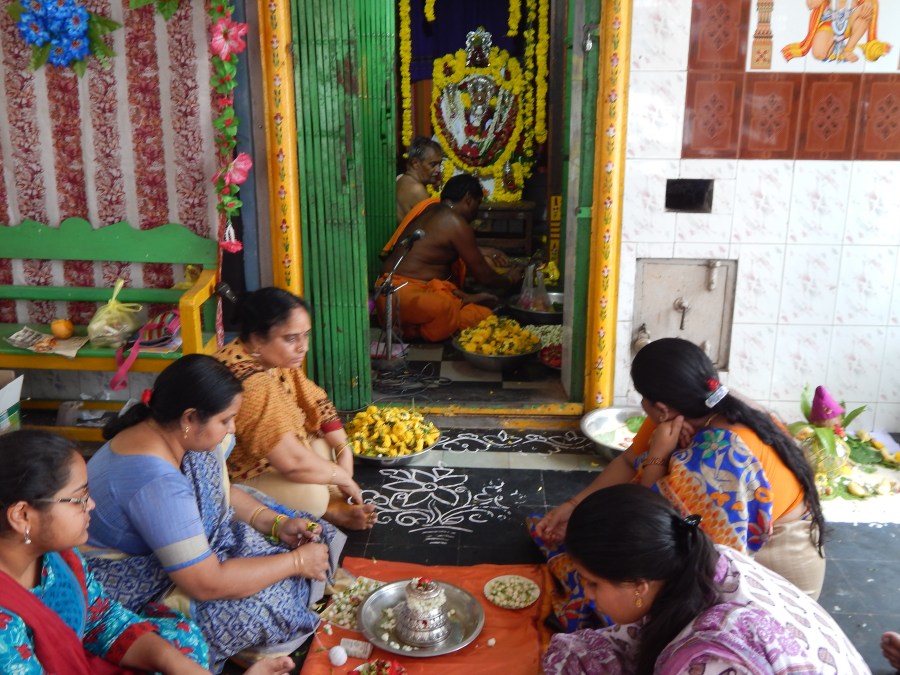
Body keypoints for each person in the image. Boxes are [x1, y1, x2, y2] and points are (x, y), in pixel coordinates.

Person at [533, 337, 825, 631]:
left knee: (624, 599)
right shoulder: (693, 404)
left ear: (660, 407)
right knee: (589, 554)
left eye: (642, 398)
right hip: (703, 535)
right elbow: (628, 462)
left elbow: (654, 530)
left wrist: (659, 455)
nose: (641, 405)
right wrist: (573, 505)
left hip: (774, 572)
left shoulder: (721, 457)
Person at [84, 354, 345, 671]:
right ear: (190, 417)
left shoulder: (171, 433)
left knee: (307, 532)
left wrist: (276, 524)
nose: (232, 428)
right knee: (261, 608)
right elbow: (206, 583)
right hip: (133, 592)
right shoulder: (154, 482)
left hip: (191, 561)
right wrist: (296, 563)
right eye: (225, 420)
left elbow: (222, 494)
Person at [0, 429, 293, 675]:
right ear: (22, 515)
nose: (92, 505)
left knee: (181, 642)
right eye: (79, 499)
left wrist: (175, 664)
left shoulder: (59, 558)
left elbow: (100, 619)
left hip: (75, 660)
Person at [542, 485, 868, 674]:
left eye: (592, 583)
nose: (586, 594)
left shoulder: (714, 660)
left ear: (639, 585)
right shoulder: (705, 560)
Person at [216, 288, 375, 530]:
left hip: (273, 456)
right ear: (258, 339)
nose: (303, 347)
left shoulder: (268, 357)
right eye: (291, 339)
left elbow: (314, 399)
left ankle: (332, 500)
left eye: (305, 336)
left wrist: (344, 449)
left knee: (323, 444)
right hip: (236, 474)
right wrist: (343, 478)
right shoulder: (252, 384)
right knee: (314, 496)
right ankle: (330, 508)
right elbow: (292, 462)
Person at [377, 173, 524, 342]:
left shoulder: (429, 210)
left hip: (390, 298)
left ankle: (413, 325)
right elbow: (484, 276)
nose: (476, 213)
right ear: (468, 199)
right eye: (478, 204)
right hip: (401, 296)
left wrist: (468, 297)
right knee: (444, 308)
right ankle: (416, 329)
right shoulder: (454, 222)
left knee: (482, 314)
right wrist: (510, 279)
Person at [782, 0, 890, 63]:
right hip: (830, 20)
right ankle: (833, 45)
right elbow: (811, 4)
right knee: (819, 54)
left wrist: (868, 3)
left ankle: (848, 49)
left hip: (852, 19)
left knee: (866, 13)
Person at [396, 136, 443, 224]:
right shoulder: (417, 190)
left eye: (439, 164)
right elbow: (430, 225)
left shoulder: (401, 179)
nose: (438, 170)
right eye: (433, 164)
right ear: (415, 163)